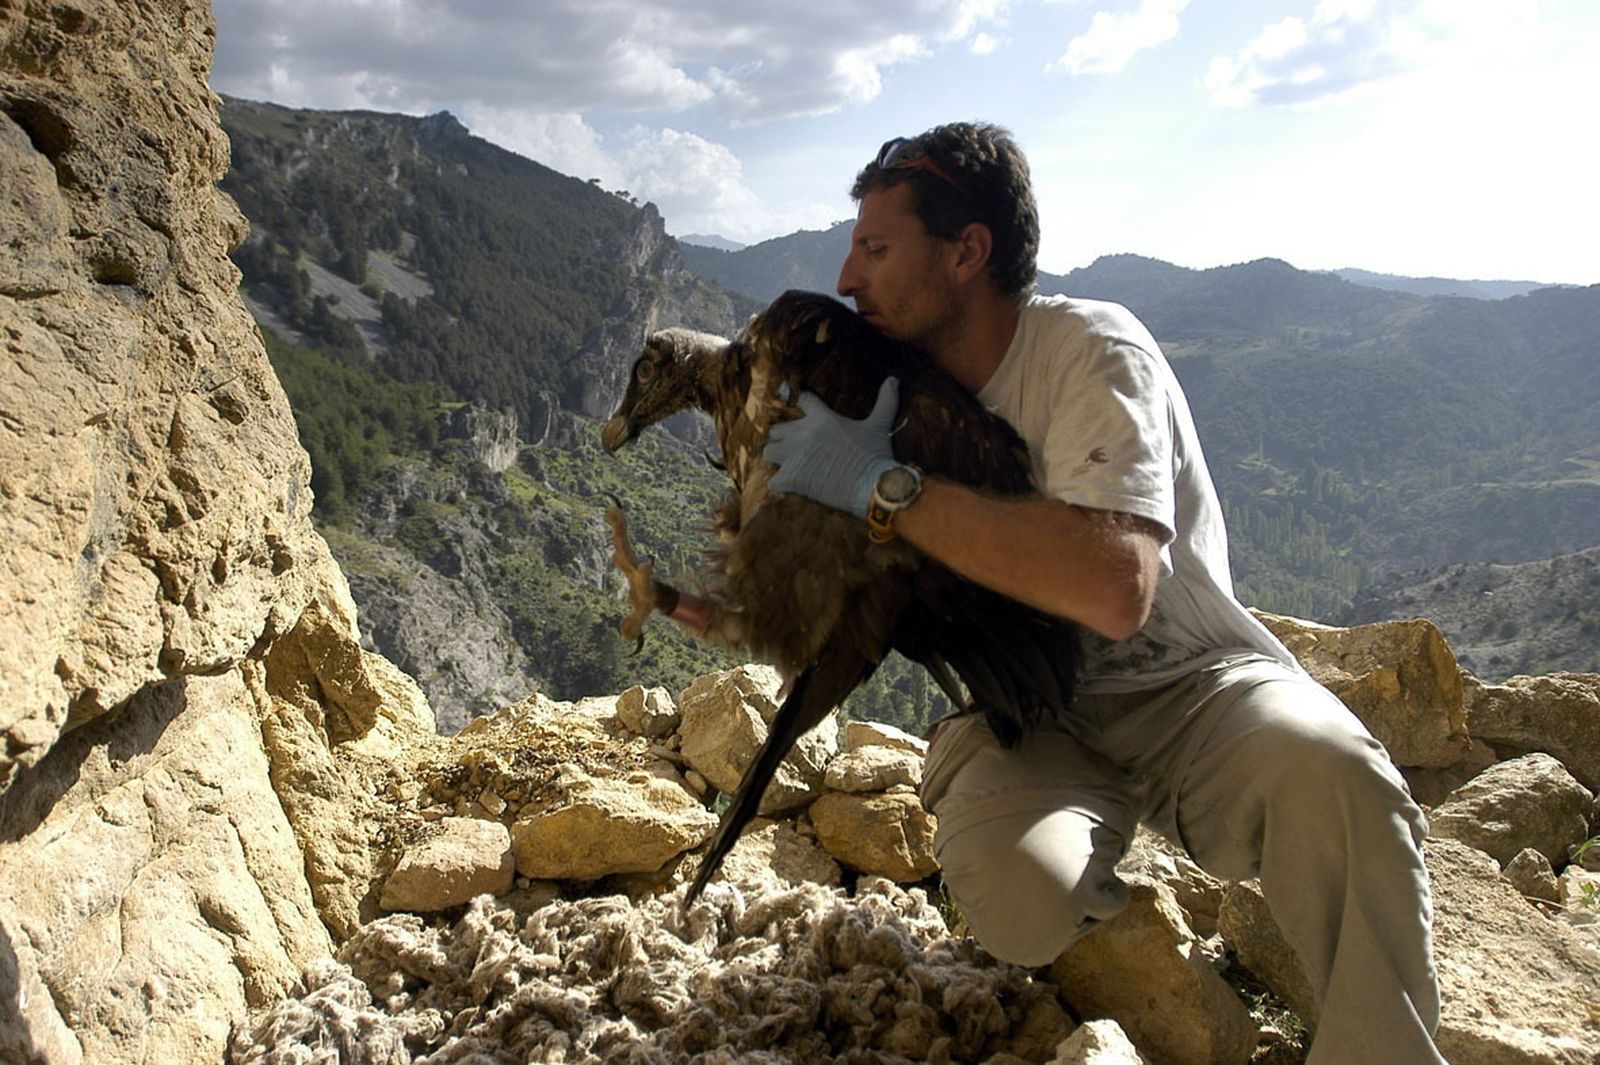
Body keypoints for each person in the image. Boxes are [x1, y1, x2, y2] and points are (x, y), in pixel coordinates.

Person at [761, 122, 1445, 1064]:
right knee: (1019, 894)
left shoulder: (1089, 348)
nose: (846, 276)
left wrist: (885, 491)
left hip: (1196, 688)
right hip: (1033, 715)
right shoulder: (892, 393)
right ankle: (1129, 942)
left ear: (968, 251)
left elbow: (1117, 586)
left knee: (1336, 774)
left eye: (875, 248)